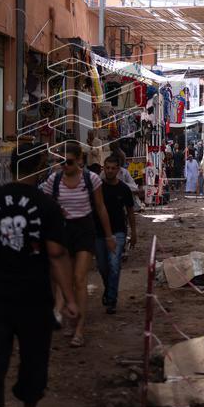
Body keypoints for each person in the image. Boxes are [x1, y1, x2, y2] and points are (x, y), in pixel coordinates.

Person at [0, 142, 78, 407]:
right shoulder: (46, 205)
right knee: (33, 360)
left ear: (12, 164)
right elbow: (56, 253)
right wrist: (69, 299)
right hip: (32, 297)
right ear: (40, 166)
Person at [42, 141, 115, 348]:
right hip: (63, 231)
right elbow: (45, 207)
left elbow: (100, 207)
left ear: (80, 160)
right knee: (65, 280)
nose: (65, 166)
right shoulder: (54, 180)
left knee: (79, 278)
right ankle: (70, 318)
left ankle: (80, 328)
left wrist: (109, 236)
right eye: (62, 162)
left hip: (84, 230)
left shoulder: (91, 179)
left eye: (69, 162)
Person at [96, 155, 136, 314]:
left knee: (114, 264)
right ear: (103, 168)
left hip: (118, 231)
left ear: (118, 170)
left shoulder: (124, 189)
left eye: (113, 168)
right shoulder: (98, 187)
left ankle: (111, 299)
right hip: (99, 232)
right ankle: (109, 289)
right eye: (107, 168)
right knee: (102, 266)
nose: (110, 171)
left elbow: (130, 212)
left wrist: (134, 233)